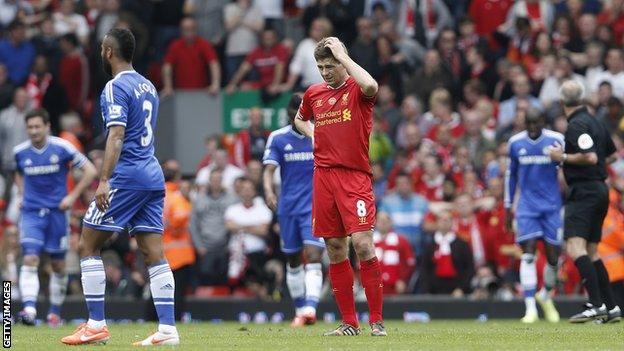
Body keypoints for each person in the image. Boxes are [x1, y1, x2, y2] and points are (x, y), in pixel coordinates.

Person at [61, 28, 180, 346]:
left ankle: (96, 323)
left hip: (127, 176)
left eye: (102, 49)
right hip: (152, 174)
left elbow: (116, 135)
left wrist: (104, 180)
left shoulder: (115, 87)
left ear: (108, 52)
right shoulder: (149, 85)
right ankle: (168, 330)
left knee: (87, 244)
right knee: (153, 253)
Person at [294, 37, 385, 336]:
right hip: (324, 177)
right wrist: (312, 133)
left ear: (342, 63)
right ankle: (349, 323)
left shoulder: (357, 90)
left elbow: (372, 86)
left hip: (354, 176)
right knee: (334, 248)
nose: (324, 72)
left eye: (329, 66)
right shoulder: (314, 93)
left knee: (362, 243)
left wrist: (343, 57)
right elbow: (299, 119)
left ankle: (377, 322)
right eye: (320, 67)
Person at [14, 108, 96, 326]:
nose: (33, 131)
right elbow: (17, 172)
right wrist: (22, 193)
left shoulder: (62, 148)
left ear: (47, 126)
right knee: (30, 258)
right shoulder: (20, 152)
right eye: (30, 127)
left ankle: (53, 313)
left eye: (37, 126)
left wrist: (72, 197)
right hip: (31, 214)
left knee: (58, 266)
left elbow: (90, 171)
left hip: (57, 214)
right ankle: (29, 310)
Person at [548, 80, 621, 323]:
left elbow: (589, 157)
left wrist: (563, 156)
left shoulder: (576, 125)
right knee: (591, 251)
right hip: (599, 189)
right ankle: (611, 307)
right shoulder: (596, 122)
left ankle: (596, 304)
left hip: (584, 192)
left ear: (562, 102)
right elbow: (610, 156)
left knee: (574, 248)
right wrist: (597, 166)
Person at [263, 93, 324, 327]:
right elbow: (269, 170)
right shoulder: (277, 138)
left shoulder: (318, 135)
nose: (299, 115)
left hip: (313, 207)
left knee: (315, 254)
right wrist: (268, 191)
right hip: (288, 207)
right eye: (295, 111)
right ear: (289, 113)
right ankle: (300, 310)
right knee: (293, 259)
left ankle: (310, 307)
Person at [505, 109, 564, 323]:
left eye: (535, 122)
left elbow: (566, 169)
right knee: (528, 253)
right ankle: (530, 308)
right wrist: (507, 206)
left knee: (553, 257)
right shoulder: (515, 143)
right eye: (528, 122)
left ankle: (545, 295)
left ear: (543, 122)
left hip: (551, 206)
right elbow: (510, 177)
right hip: (527, 208)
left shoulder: (557, 140)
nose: (532, 127)